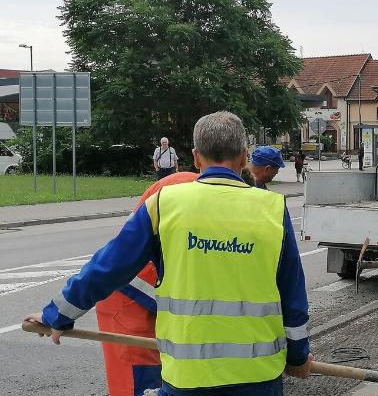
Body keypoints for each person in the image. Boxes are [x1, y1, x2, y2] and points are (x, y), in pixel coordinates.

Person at [25, 111, 312, 395]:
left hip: (187, 377)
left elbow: (107, 267)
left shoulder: (165, 203)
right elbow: (292, 292)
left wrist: (56, 316)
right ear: (244, 156)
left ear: (196, 156)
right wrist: (297, 357)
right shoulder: (272, 209)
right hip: (258, 376)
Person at [95, 171, 199, 396]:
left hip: (149, 298)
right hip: (130, 303)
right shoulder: (185, 191)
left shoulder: (192, 186)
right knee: (137, 385)